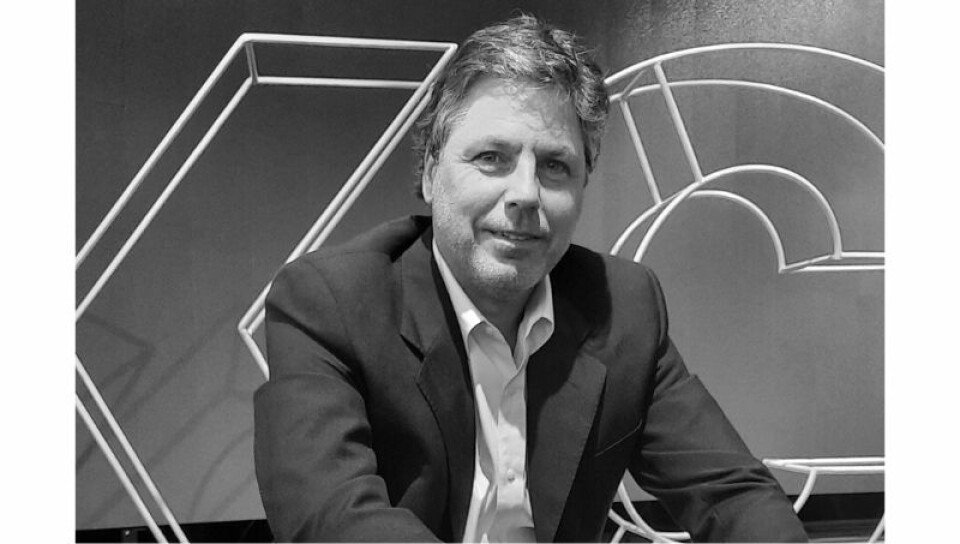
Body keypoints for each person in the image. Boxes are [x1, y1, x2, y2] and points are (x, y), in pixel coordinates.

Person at [254, 15, 808, 543]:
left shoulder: (624, 306)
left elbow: (732, 492)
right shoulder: (329, 303)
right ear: (429, 173)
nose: (525, 194)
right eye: (492, 157)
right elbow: (334, 520)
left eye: (554, 166)